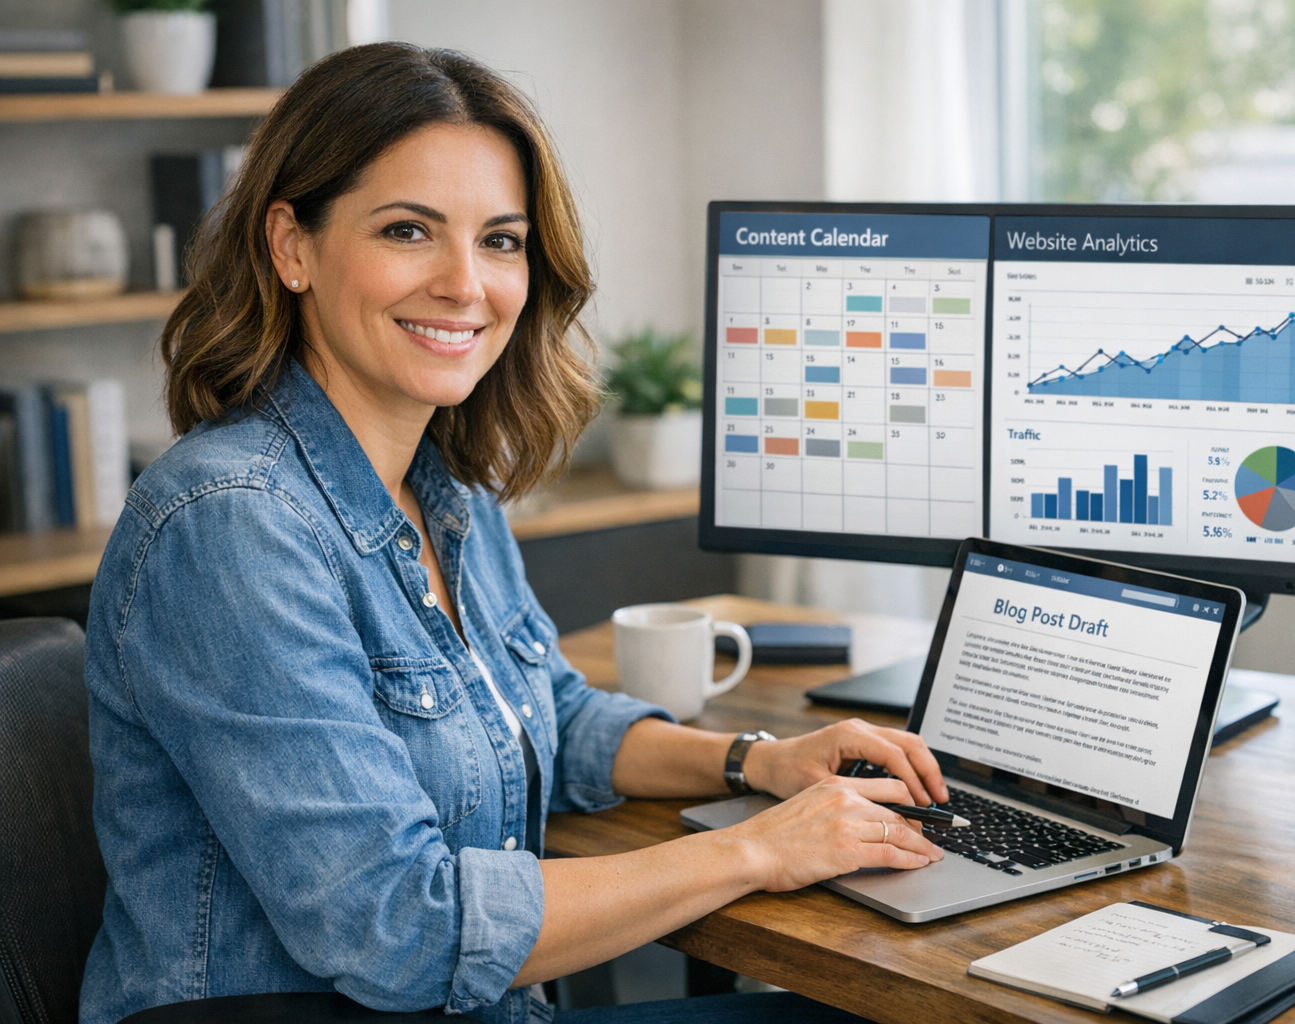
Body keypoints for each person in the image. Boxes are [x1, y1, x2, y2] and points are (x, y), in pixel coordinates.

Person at [81, 43, 947, 1024]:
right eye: (409, 230)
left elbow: (548, 715)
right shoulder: (230, 525)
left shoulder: (439, 486)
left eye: (500, 240)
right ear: (292, 246)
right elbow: (398, 926)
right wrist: (759, 846)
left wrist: (756, 759)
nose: (466, 283)